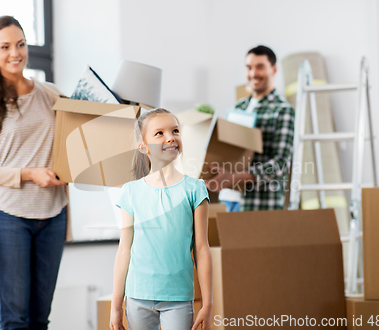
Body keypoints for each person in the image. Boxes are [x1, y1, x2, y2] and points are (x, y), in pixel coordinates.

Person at [0, 16, 72, 330]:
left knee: (41, 318)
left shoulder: (51, 93)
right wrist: (28, 174)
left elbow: (78, 139)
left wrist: (70, 169)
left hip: (53, 215)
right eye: (6, 46)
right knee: (15, 319)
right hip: (9, 217)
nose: (16, 52)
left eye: (21, 44)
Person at [110, 108, 213, 330]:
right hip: (138, 296)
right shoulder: (130, 192)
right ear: (143, 147)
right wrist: (116, 305)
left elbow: (202, 248)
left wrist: (207, 302)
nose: (170, 137)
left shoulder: (195, 189)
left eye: (175, 130)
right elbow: (124, 250)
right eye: (159, 133)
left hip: (178, 297)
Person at [209, 45, 295, 211]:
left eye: (260, 67)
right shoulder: (239, 107)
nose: (253, 73)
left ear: (274, 69)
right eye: (249, 67)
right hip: (228, 199)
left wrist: (234, 177)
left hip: (258, 205)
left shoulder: (282, 110)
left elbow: (280, 164)